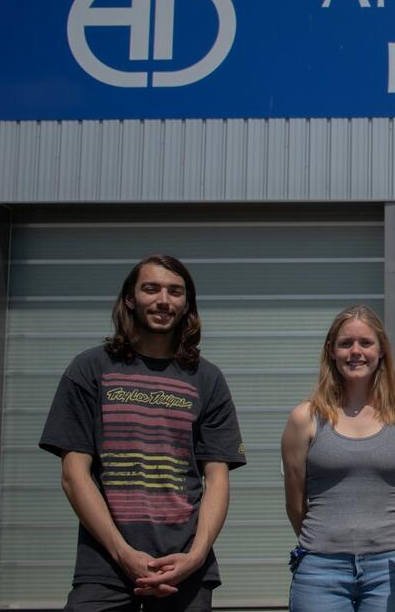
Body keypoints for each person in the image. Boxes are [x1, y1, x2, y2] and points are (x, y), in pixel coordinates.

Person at [39, 255, 246, 611]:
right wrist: (123, 554)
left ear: (186, 304)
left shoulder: (207, 379)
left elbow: (217, 478)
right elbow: (74, 475)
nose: (163, 300)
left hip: (185, 570)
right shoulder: (90, 369)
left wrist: (195, 556)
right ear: (130, 299)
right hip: (103, 567)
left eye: (175, 291)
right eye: (151, 289)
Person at [281, 304, 395, 612]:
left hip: (389, 567)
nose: (355, 351)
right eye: (346, 344)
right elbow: (294, 502)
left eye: (365, 343)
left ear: (381, 350)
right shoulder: (304, 419)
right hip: (320, 570)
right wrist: (329, 544)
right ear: (332, 350)